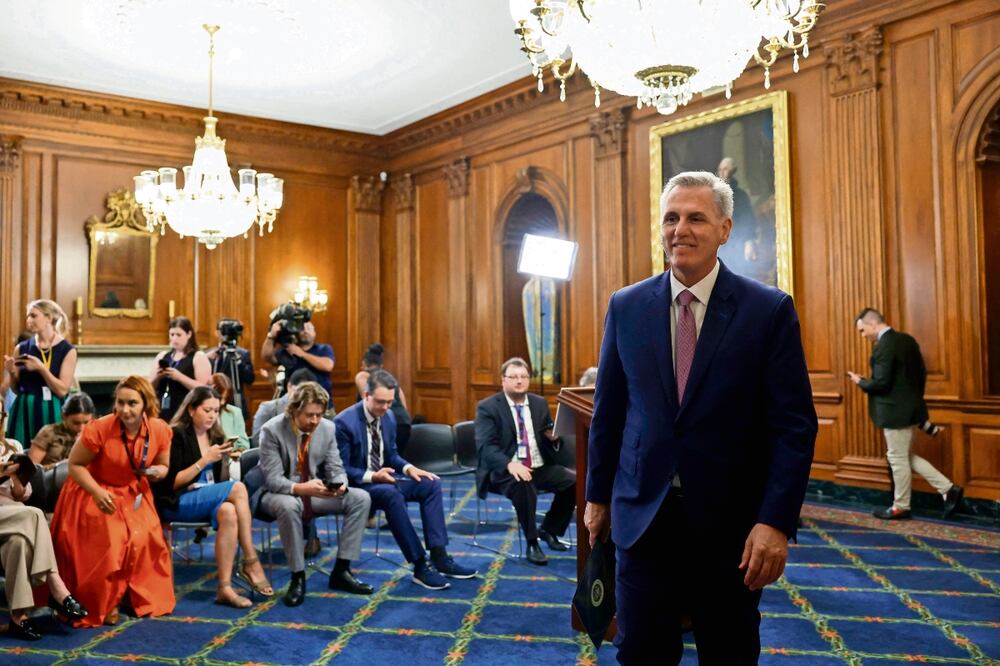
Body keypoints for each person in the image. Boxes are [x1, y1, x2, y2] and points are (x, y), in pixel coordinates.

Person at [585, 171, 817, 664]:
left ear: (725, 229)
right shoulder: (625, 307)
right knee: (641, 653)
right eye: (671, 218)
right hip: (642, 520)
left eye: (695, 217)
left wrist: (775, 522)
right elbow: (609, 412)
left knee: (728, 653)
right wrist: (597, 498)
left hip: (730, 530)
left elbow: (793, 427)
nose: (680, 230)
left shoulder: (767, 310)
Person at [51, 375, 176, 627]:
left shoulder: (161, 430)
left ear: (145, 405)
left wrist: (159, 472)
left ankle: (131, 595)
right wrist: (97, 492)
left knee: (147, 537)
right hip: (92, 490)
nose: (125, 410)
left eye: (132, 403)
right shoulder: (100, 428)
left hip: (133, 491)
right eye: (120, 403)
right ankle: (106, 601)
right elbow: (75, 466)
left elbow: (163, 465)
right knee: (113, 539)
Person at [336, 370, 477, 589]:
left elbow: (391, 455)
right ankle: (420, 565)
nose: (385, 408)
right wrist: (374, 476)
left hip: (384, 479)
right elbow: (343, 470)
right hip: (359, 486)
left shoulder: (389, 416)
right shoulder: (344, 423)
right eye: (380, 402)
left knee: (430, 483)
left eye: (389, 402)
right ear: (366, 396)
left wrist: (409, 468)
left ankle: (440, 556)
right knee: (391, 495)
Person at [154, 386, 273, 607]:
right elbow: (171, 482)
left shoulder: (216, 435)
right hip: (175, 500)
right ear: (191, 409)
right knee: (238, 489)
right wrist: (206, 459)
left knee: (228, 511)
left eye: (216, 411)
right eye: (207, 410)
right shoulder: (177, 435)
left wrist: (229, 461)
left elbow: (218, 482)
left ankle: (224, 588)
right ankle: (250, 559)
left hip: (203, 498)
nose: (212, 416)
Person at [256, 382, 373, 606]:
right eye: (309, 415)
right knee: (289, 506)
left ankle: (341, 570)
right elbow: (272, 479)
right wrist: (301, 488)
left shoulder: (327, 428)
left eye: (319, 415)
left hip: (312, 491)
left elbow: (336, 468)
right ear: (294, 410)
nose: (315, 421)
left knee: (360, 498)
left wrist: (340, 485)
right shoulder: (272, 430)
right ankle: (297, 576)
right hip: (276, 493)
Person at [848, 308, 963, 520]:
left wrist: (860, 381)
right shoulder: (907, 340)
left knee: (897, 458)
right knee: (902, 456)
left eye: (863, 331)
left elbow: (882, 383)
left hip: (894, 412)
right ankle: (948, 489)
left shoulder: (884, 346)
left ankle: (901, 505)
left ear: (872, 324)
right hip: (909, 409)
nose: (863, 336)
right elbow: (920, 374)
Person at [475, 358, 576, 566]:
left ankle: (549, 530)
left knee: (574, 481)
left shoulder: (539, 403)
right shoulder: (488, 408)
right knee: (524, 485)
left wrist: (553, 439)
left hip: (538, 465)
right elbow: (486, 447)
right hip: (505, 471)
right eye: (513, 377)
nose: (519, 381)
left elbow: (548, 440)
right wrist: (509, 465)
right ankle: (532, 542)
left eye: (523, 377)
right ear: (503, 380)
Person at [0, 404, 88, 640]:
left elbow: (22, 494)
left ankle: (19, 618)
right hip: (15, 516)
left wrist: (14, 478)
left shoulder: (12, 446)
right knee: (35, 514)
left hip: (11, 516)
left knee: (18, 542)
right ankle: (55, 585)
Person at [3, 300, 77, 444]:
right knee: (21, 456)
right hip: (24, 408)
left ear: (49, 318)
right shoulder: (21, 348)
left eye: (33, 316)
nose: (29, 320)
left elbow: (62, 390)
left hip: (52, 408)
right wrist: (12, 373)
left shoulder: (67, 350)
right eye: (28, 316)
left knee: (52, 453)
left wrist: (41, 368)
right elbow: (16, 389)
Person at [149, 316, 211, 422]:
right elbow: (149, 386)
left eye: (178, 335)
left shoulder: (198, 356)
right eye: (172, 335)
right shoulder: (162, 356)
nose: (174, 339)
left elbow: (203, 389)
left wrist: (179, 377)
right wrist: (157, 376)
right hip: (162, 408)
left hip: (186, 410)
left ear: (189, 334)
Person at [354, 343, 412, 454]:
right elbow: (404, 405)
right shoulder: (390, 379)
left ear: (364, 364)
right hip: (403, 423)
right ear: (381, 365)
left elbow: (367, 401)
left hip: (384, 423)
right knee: (396, 458)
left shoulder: (363, 375)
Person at [261, 320, 335, 401]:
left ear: (314, 332)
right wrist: (271, 336)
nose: (306, 331)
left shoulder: (324, 349)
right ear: (296, 332)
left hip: (322, 402)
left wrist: (302, 354)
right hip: (294, 404)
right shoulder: (288, 350)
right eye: (302, 328)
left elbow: (327, 366)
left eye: (309, 328)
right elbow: (267, 357)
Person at [29, 392, 96, 469]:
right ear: (64, 416)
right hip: (49, 478)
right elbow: (31, 469)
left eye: (86, 422)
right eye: (76, 423)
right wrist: (60, 466)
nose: (81, 428)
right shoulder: (49, 432)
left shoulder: (94, 435)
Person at [205, 319, 255, 419]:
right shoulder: (209, 354)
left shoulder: (242, 354)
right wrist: (206, 357)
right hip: (212, 400)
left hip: (235, 401)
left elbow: (250, 379)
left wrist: (239, 362)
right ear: (217, 333)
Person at [252, 367, 318, 438]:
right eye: (300, 392)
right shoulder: (268, 409)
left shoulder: (316, 412)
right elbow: (257, 442)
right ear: (289, 386)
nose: (304, 397)